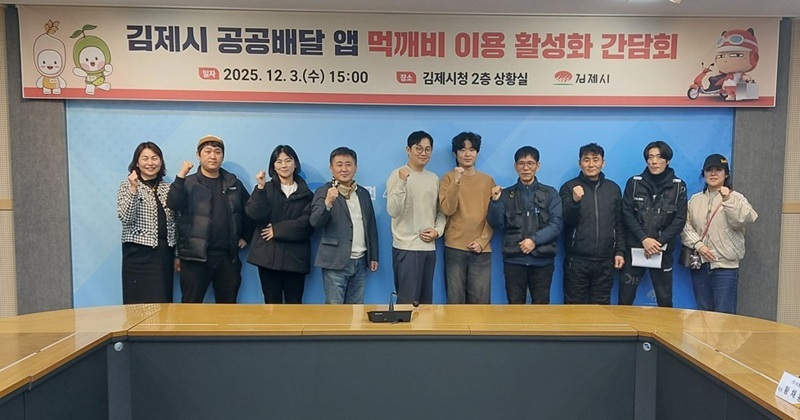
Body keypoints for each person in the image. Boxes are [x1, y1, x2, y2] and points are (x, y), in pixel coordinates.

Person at [167, 135, 253, 303]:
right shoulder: (189, 182)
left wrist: (246, 236)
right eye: (207, 151)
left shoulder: (233, 183)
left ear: (222, 156)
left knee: (228, 307)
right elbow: (173, 204)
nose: (213, 156)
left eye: (217, 152)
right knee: (190, 307)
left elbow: (250, 211)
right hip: (194, 258)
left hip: (227, 257)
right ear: (198, 155)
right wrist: (181, 175)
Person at [681, 154, 757, 313]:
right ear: (704, 174)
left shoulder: (737, 198)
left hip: (725, 267)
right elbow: (684, 226)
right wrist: (699, 245)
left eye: (718, 170)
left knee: (724, 315)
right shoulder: (695, 200)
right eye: (709, 170)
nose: (713, 173)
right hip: (700, 264)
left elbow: (742, 220)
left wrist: (727, 199)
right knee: (703, 313)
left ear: (726, 174)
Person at [488, 146, 562, 304]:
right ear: (515, 166)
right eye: (521, 163)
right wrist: (495, 202)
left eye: (530, 163)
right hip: (514, 261)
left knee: (541, 307)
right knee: (515, 308)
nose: (526, 168)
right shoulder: (505, 194)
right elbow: (496, 223)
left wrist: (534, 240)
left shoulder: (550, 193)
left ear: (537, 166)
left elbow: (556, 224)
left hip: (542, 261)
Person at [620, 140, 687, 307]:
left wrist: (658, 242)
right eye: (650, 157)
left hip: (662, 250)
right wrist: (644, 239)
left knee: (665, 300)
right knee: (625, 298)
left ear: (667, 160)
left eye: (658, 157)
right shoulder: (634, 183)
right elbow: (626, 213)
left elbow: (679, 220)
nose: (654, 161)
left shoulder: (678, 186)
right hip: (635, 247)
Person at [245, 145, 314, 304]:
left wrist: (277, 230)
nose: (284, 165)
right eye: (279, 161)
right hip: (268, 258)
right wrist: (260, 188)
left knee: (294, 305)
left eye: (288, 160)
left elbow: (307, 225)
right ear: (273, 166)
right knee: (271, 305)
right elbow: (254, 214)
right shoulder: (265, 189)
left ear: (295, 164)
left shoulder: (307, 195)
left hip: (295, 259)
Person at [310, 147, 379, 304]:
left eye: (348, 164)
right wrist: (328, 203)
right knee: (335, 311)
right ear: (331, 168)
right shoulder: (324, 191)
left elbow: (371, 226)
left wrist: (373, 255)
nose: (344, 169)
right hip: (335, 261)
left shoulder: (363, 193)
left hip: (361, 261)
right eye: (339, 164)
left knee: (356, 310)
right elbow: (315, 222)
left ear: (355, 167)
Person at [559, 143, 625, 305]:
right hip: (577, 260)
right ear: (579, 163)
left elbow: (619, 223)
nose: (591, 164)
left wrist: (620, 251)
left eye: (595, 160)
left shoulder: (613, 189)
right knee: (573, 308)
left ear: (603, 163)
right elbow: (565, 220)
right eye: (586, 160)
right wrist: (575, 201)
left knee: (601, 308)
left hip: (605, 261)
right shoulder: (569, 187)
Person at [386, 131, 446, 304]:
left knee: (426, 304)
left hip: (428, 249)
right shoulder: (397, 175)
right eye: (418, 148)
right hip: (406, 248)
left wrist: (437, 231)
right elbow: (393, 210)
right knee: (406, 303)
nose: (423, 153)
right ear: (408, 149)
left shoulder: (433, 178)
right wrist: (402, 182)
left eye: (427, 149)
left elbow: (441, 212)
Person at [439, 132, 495, 304]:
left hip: (481, 250)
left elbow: (493, 216)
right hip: (454, 248)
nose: (467, 154)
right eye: (462, 150)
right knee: (455, 302)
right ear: (455, 153)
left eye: (471, 150)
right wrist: (456, 182)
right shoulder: (448, 178)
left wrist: (482, 241)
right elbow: (447, 209)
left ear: (477, 152)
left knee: (481, 305)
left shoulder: (487, 181)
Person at [117, 141, 176, 304]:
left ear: (161, 162)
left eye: (155, 158)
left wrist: (177, 255)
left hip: (163, 254)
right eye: (145, 158)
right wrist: (133, 189)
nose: (150, 163)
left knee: (162, 301)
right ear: (137, 162)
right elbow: (126, 217)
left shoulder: (169, 188)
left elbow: (176, 223)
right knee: (135, 303)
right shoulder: (126, 186)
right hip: (136, 254)